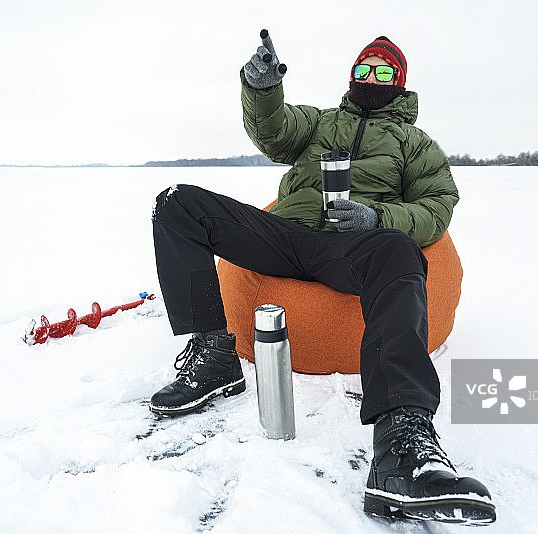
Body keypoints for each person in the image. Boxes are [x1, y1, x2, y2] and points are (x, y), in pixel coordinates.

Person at [148, 31, 496, 525]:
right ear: (351, 76)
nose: (370, 79)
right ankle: (213, 357)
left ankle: (401, 444)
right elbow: (274, 132)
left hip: (354, 248)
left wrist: (377, 220)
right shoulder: (320, 123)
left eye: (382, 72)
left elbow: (436, 209)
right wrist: (261, 88)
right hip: (286, 235)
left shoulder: (417, 145)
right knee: (177, 203)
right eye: (363, 70)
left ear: (400, 82)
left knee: (401, 253)